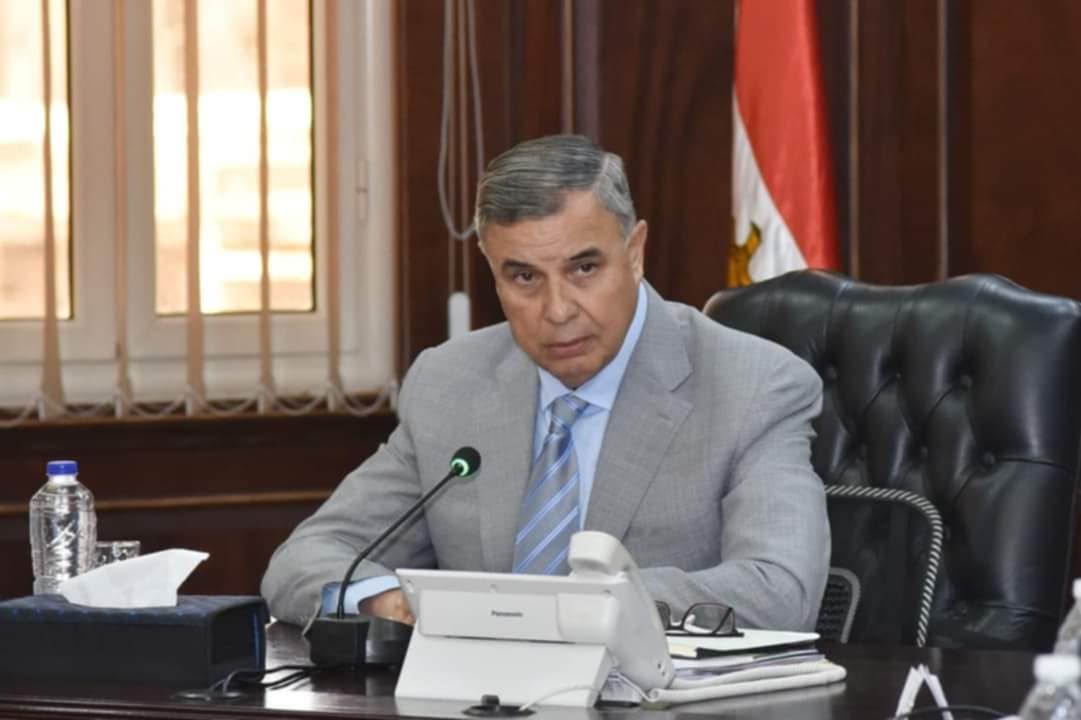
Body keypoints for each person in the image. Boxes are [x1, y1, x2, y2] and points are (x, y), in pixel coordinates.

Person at [261, 134, 829, 631]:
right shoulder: (448, 383)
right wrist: (387, 601)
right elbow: (308, 556)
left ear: (635, 254)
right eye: (525, 277)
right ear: (493, 274)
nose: (557, 310)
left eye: (584, 269)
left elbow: (781, 591)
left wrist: (573, 608)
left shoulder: (753, 386)